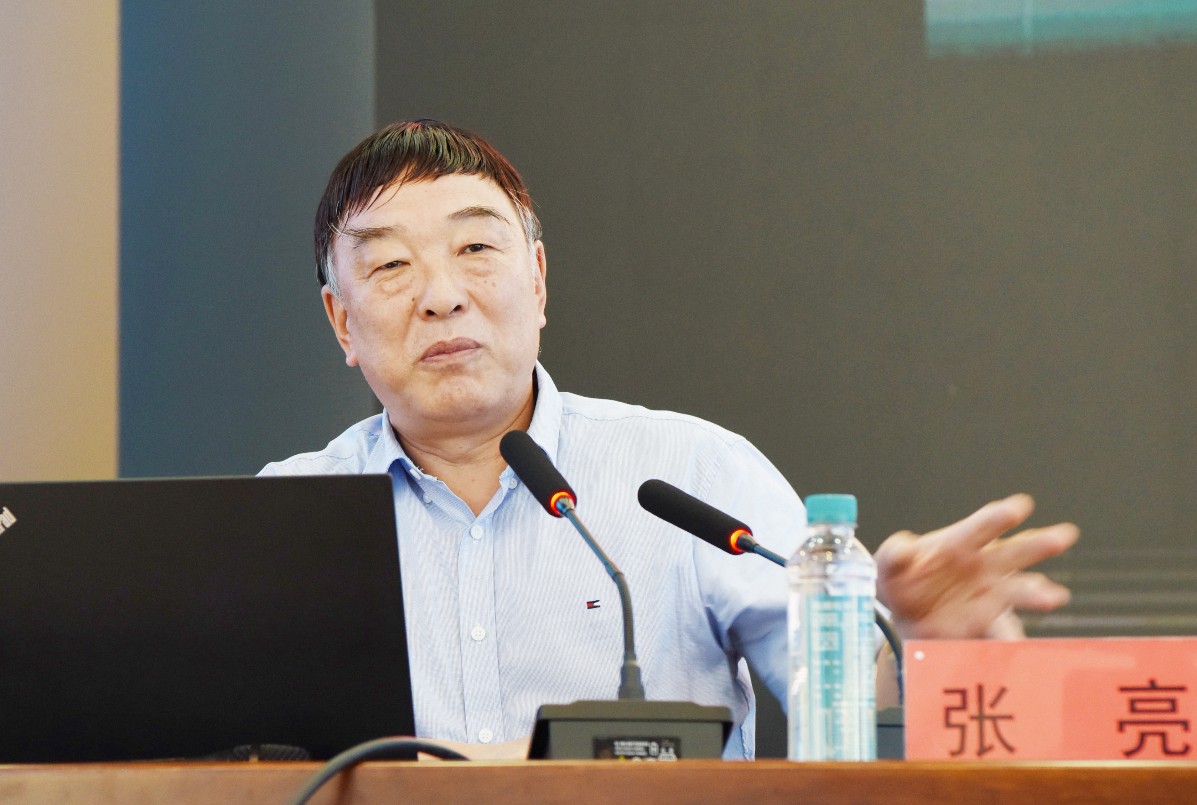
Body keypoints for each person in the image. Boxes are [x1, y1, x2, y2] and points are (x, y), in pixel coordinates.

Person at [261, 119, 1078, 759]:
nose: (442, 295)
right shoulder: (285, 514)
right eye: (391, 266)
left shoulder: (688, 472)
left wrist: (927, 646)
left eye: (475, 248)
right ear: (342, 321)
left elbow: (855, 714)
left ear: (537, 281)